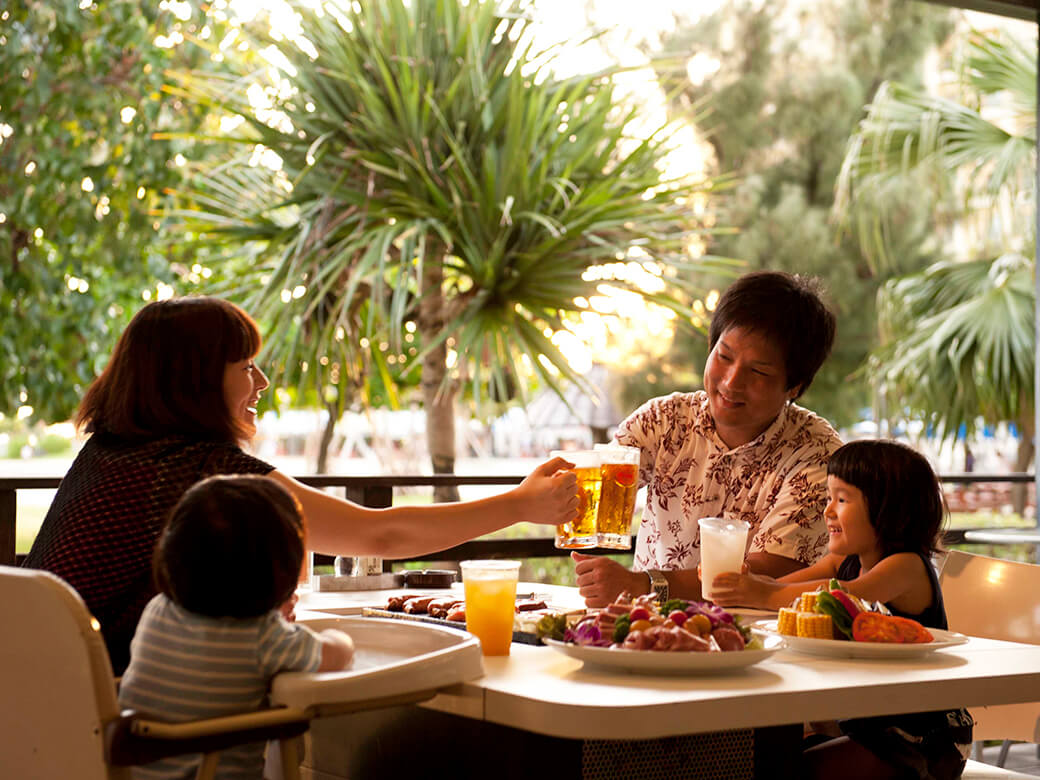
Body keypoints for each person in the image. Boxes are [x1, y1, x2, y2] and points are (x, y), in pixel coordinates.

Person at [23, 296, 578, 674]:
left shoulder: (109, 453)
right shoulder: (197, 470)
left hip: (57, 715)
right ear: (194, 382)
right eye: (244, 366)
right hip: (136, 730)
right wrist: (521, 504)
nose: (260, 382)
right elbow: (377, 537)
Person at [572, 270, 842, 607]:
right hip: (649, 632)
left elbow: (767, 571)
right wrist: (568, 503)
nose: (730, 382)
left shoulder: (818, 456)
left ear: (795, 387)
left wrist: (644, 585)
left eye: (757, 371)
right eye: (724, 356)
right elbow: (595, 496)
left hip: (761, 642)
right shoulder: (663, 421)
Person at [710, 439, 973, 780]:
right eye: (828, 497)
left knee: (786, 768)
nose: (827, 510)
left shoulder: (905, 567)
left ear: (889, 509)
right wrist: (745, 582)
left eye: (842, 499)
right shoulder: (845, 561)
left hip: (920, 739)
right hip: (867, 726)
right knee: (767, 753)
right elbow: (782, 589)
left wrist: (759, 592)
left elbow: (832, 598)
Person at [119, 474, 353, 780]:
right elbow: (337, 655)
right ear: (279, 569)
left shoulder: (158, 610)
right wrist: (336, 635)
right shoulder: (263, 637)